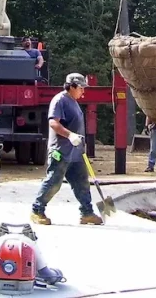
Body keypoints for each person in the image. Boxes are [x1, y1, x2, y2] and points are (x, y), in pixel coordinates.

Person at [30, 73, 102, 226]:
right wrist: (69, 135)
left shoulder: (73, 101)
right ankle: (37, 211)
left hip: (76, 152)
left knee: (82, 182)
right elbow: (53, 123)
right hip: (61, 151)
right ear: (72, 86)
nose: (83, 91)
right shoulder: (60, 100)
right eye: (81, 88)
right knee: (54, 182)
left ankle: (87, 213)